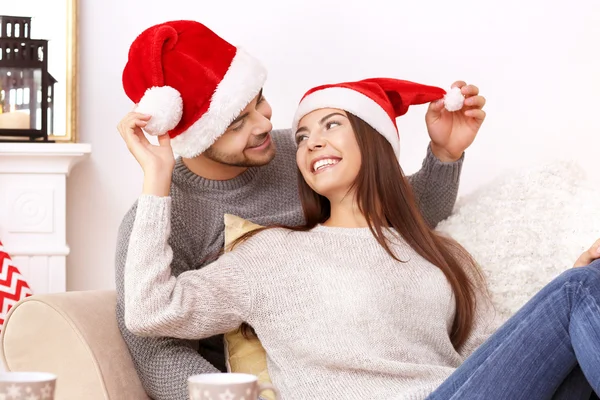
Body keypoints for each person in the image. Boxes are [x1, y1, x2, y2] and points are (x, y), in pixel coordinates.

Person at [122, 77, 600, 400]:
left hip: (455, 391)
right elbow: (148, 311)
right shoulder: (268, 254)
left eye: (331, 125)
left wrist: (562, 303)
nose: (311, 143)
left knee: (587, 291)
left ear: (376, 142)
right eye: (304, 136)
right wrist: (157, 178)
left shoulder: (438, 252)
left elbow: (496, 354)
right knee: (578, 290)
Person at [116, 20, 479, 400]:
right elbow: (154, 341)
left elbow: (402, 217)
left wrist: (445, 155)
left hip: (382, 348)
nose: (264, 124)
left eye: (259, 100)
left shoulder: (303, 151)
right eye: (238, 122)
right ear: (197, 137)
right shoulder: (161, 221)